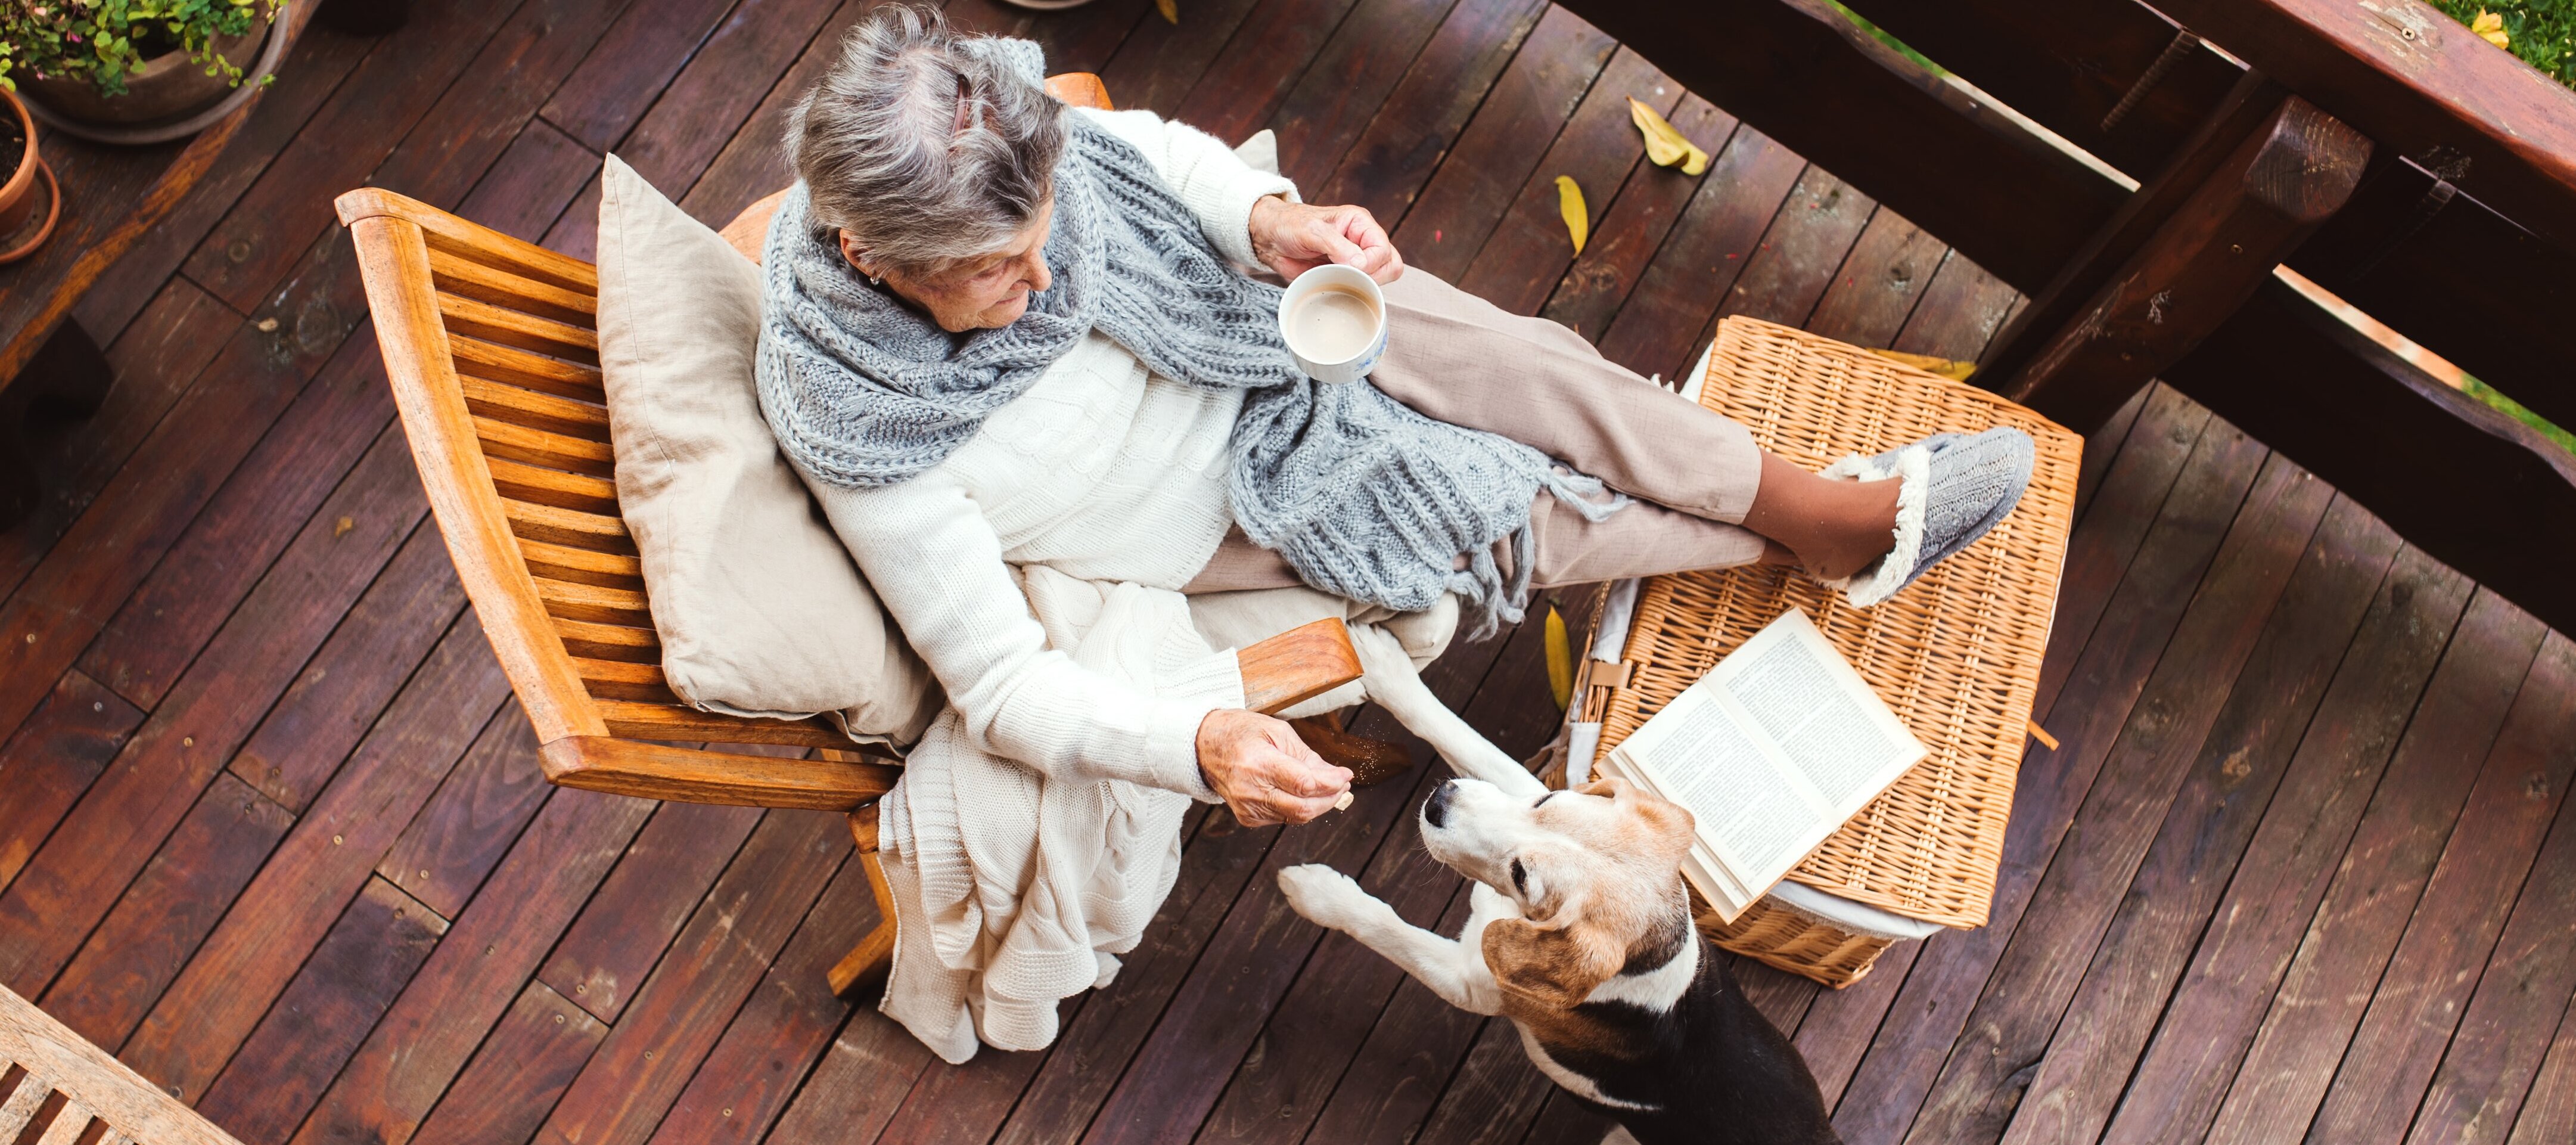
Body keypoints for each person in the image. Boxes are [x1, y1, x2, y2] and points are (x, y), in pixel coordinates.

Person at [756, 5, 2031, 1062]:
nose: (1047, 291)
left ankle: (1811, 508)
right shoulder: (864, 424)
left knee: (1494, 353)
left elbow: (1144, 152)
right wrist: (1191, 742)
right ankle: (1791, 532)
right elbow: (993, 681)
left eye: (1047, 245)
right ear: (870, 258)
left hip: (1235, 320)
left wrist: (1269, 222)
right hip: (1209, 514)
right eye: (1000, 276)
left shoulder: (1009, 137)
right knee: (1486, 507)